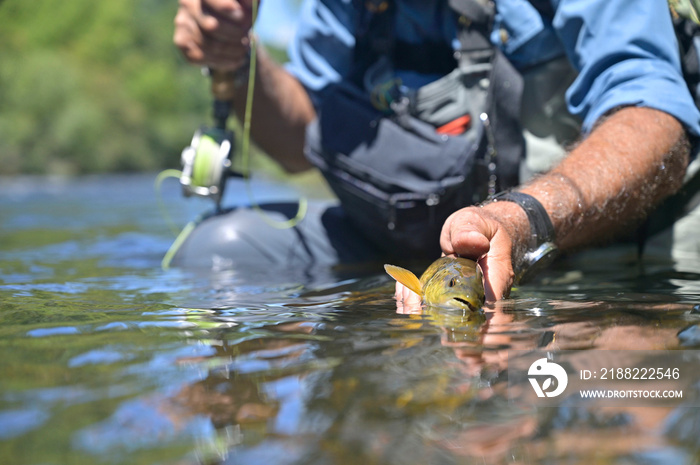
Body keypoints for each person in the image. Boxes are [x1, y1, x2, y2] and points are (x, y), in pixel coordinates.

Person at [172, 0, 700, 302]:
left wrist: (523, 221)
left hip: (581, 236)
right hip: (417, 245)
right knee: (221, 250)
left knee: (633, 399)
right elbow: (302, 142)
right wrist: (235, 60)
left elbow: (656, 119)